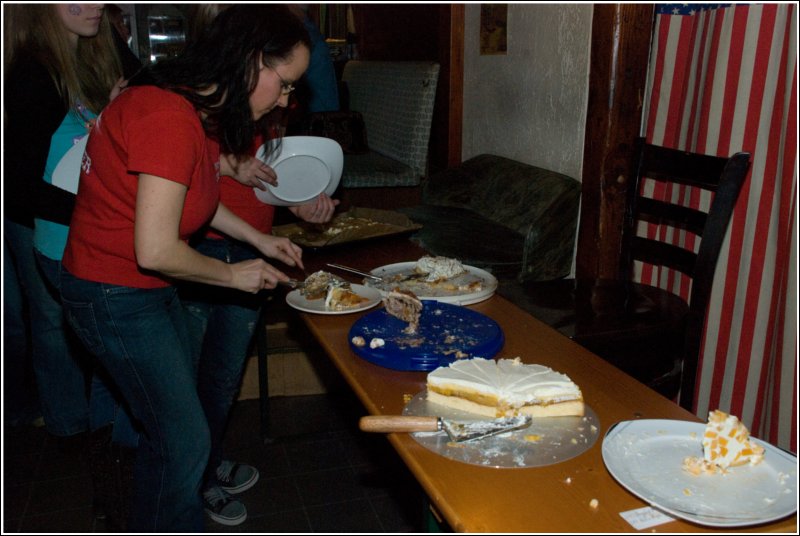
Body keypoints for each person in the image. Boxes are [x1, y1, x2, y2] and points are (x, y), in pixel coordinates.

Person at [59, 5, 311, 532]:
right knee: (185, 440)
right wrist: (235, 275)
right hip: (112, 292)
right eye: (286, 84)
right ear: (250, 62)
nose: (288, 99)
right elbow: (155, 247)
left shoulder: (194, 111)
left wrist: (259, 240)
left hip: (138, 289)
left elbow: (193, 200)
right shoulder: (169, 116)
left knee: (174, 431)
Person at [182, 4, 338, 526]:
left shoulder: (273, 92)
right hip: (201, 246)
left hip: (255, 244)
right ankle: (192, 479)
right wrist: (229, 164)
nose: (291, 95)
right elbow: (186, 171)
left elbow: (275, 168)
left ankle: (203, 468)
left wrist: (302, 204)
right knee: (186, 378)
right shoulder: (198, 94)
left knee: (223, 376)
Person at [4, 3, 143, 526]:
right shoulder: (32, 71)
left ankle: (115, 484)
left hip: (95, 240)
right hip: (65, 244)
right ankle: (100, 467)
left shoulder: (99, 40)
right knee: (113, 359)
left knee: (109, 365)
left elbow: (147, 88)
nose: (93, 3)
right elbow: (17, 189)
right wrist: (99, 207)